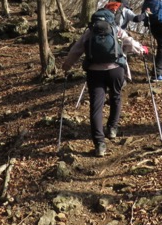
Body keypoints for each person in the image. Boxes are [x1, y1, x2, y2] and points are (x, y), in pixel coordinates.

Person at [61, 9, 148, 157]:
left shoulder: (89, 32)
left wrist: (67, 65)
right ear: (111, 19)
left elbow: (76, 50)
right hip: (115, 70)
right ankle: (112, 129)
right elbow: (130, 43)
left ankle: (100, 144)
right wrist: (142, 50)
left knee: (96, 106)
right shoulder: (116, 30)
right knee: (116, 97)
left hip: (94, 72)